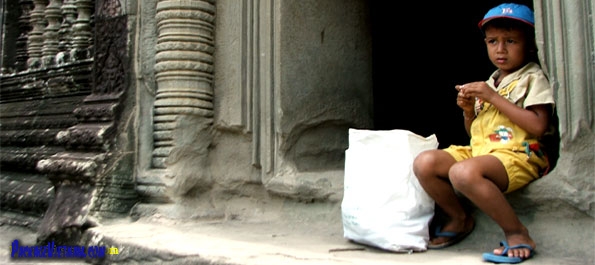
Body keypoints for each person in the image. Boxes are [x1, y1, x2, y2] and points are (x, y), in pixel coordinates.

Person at [412, 3, 556, 263]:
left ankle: (517, 233)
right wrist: (469, 112)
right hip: (485, 152)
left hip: (520, 154)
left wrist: (492, 97)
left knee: (462, 172)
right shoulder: (491, 81)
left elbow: (537, 126)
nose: (500, 49)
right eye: (493, 41)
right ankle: (459, 217)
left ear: (530, 45)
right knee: (425, 162)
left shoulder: (532, 78)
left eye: (511, 41)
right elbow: (475, 134)